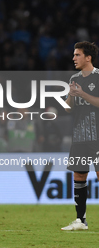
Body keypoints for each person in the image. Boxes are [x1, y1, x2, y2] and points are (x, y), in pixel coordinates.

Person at [61, 41, 99, 230]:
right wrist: (71, 95)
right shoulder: (74, 78)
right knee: (79, 176)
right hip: (80, 137)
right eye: (74, 55)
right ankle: (80, 221)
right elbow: (68, 109)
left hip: (98, 136)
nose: (73, 58)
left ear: (88, 57)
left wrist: (82, 94)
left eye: (77, 55)